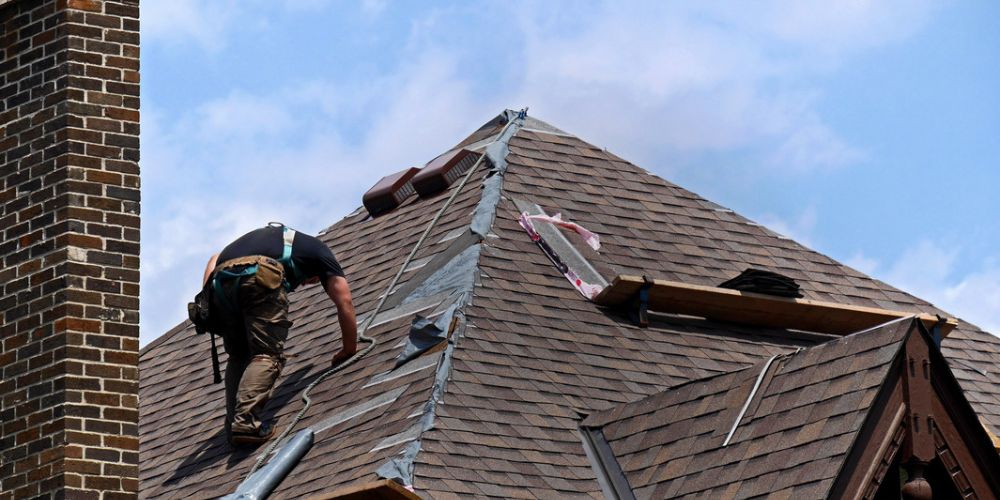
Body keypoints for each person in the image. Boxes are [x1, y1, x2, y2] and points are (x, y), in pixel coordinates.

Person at [201, 223, 357, 445]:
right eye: (312, 281)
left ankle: (233, 427)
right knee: (267, 354)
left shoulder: (272, 240)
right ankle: (245, 423)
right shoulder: (321, 252)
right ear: (318, 273)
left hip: (220, 284)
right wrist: (349, 349)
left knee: (239, 356)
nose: (304, 284)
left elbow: (215, 258)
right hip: (255, 275)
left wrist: (208, 298)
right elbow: (345, 301)